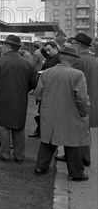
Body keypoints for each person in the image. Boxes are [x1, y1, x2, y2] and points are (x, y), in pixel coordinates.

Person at [34, 45, 90, 181]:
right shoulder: (78, 75)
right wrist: (84, 112)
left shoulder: (46, 73)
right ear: (74, 60)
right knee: (73, 141)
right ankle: (76, 173)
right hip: (71, 114)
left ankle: (40, 166)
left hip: (49, 111)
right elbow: (82, 98)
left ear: (60, 57)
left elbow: (38, 93)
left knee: (49, 139)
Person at [0, 35, 38, 163]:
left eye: (3, 45)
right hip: (20, 99)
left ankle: (4, 154)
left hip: (2, 98)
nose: (1, 48)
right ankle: (19, 155)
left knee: (3, 127)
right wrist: (22, 91)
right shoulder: (28, 63)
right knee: (19, 127)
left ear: (8, 47)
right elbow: (33, 82)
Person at [69, 33, 97, 167]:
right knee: (85, 129)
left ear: (78, 45)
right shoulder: (92, 58)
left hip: (80, 100)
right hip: (91, 97)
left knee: (77, 130)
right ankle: (84, 157)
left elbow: (73, 82)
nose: (71, 45)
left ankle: (80, 158)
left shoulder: (79, 60)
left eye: (73, 43)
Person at [28, 41, 61, 138]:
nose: (47, 52)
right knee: (42, 111)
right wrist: (45, 47)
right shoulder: (50, 57)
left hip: (50, 88)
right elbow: (43, 52)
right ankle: (41, 131)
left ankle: (43, 131)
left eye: (49, 50)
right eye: (46, 50)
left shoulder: (57, 58)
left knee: (44, 112)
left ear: (55, 48)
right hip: (45, 87)